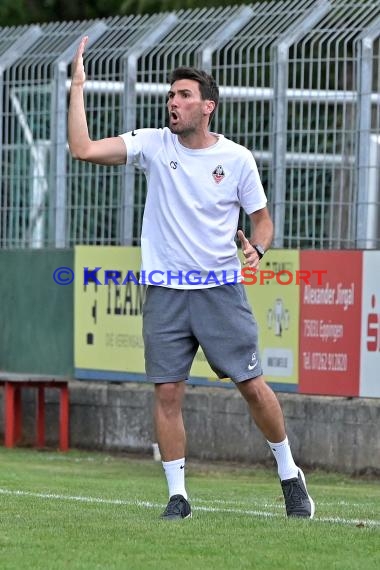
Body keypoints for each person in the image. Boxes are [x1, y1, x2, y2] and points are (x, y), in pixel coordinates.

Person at [68, 36, 315, 521]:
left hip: (220, 291)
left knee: (252, 386)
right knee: (167, 392)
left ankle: (289, 474)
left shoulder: (238, 159)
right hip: (165, 292)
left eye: (183, 96)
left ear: (208, 107)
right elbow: (83, 148)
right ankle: (178, 497)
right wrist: (77, 87)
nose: (172, 102)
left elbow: (262, 220)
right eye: (170, 95)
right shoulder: (154, 145)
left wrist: (257, 248)